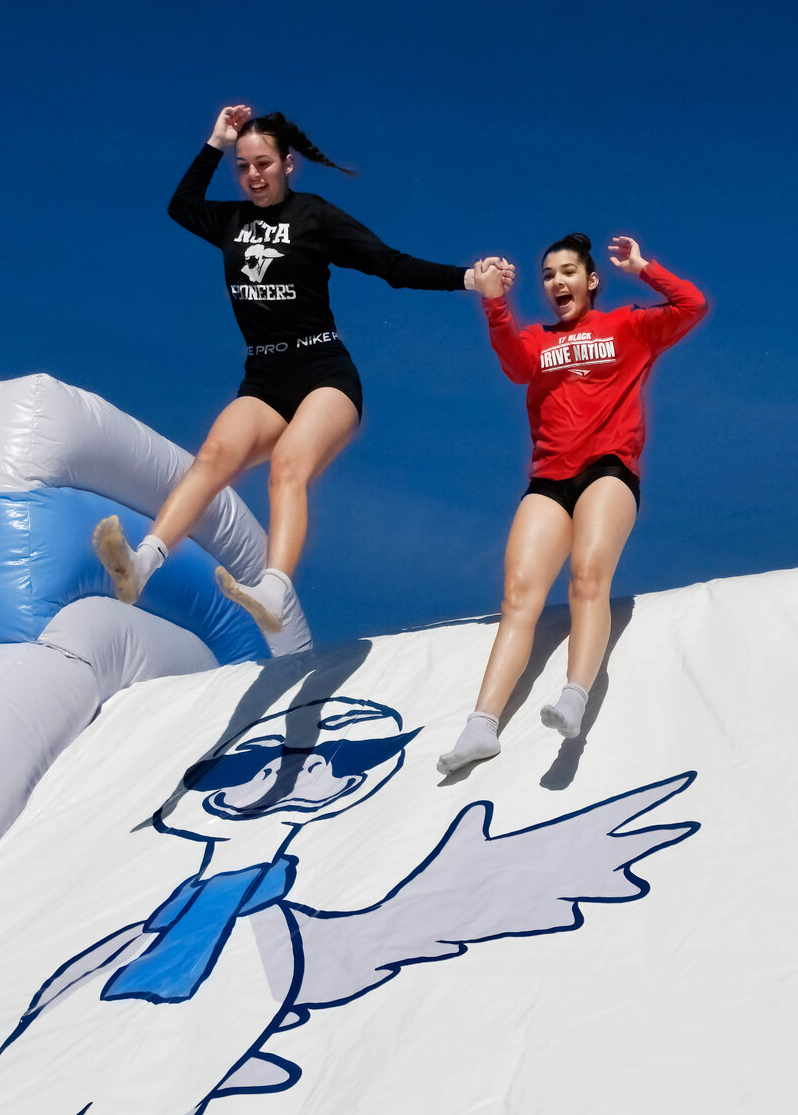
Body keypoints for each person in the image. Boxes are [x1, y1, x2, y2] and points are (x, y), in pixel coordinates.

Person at [94, 104, 510, 650]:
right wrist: (216, 142)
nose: (253, 176)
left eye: (263, 163)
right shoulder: (230, 223)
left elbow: (390, 264)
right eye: (242, 167)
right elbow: (181, 205)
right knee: (213, 457)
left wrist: (467, 279)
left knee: (289, 464)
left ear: (289, 164)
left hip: (324, 373)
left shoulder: (314, 216)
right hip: (264, 375)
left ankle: (274, 591)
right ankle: (142, 566)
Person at [437, 232, 707, 774]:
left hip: (609, 467)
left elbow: (691, 305)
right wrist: (494, 301)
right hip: (550, 478)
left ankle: (574, 695)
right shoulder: (538, 340)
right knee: (519, 597)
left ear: (591, 280)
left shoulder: (628, 325)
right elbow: (515, 364)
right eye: (548, 275)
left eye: (567, 272)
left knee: (587, 575)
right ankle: (481, 724)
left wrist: (643, 266)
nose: (557, 282)